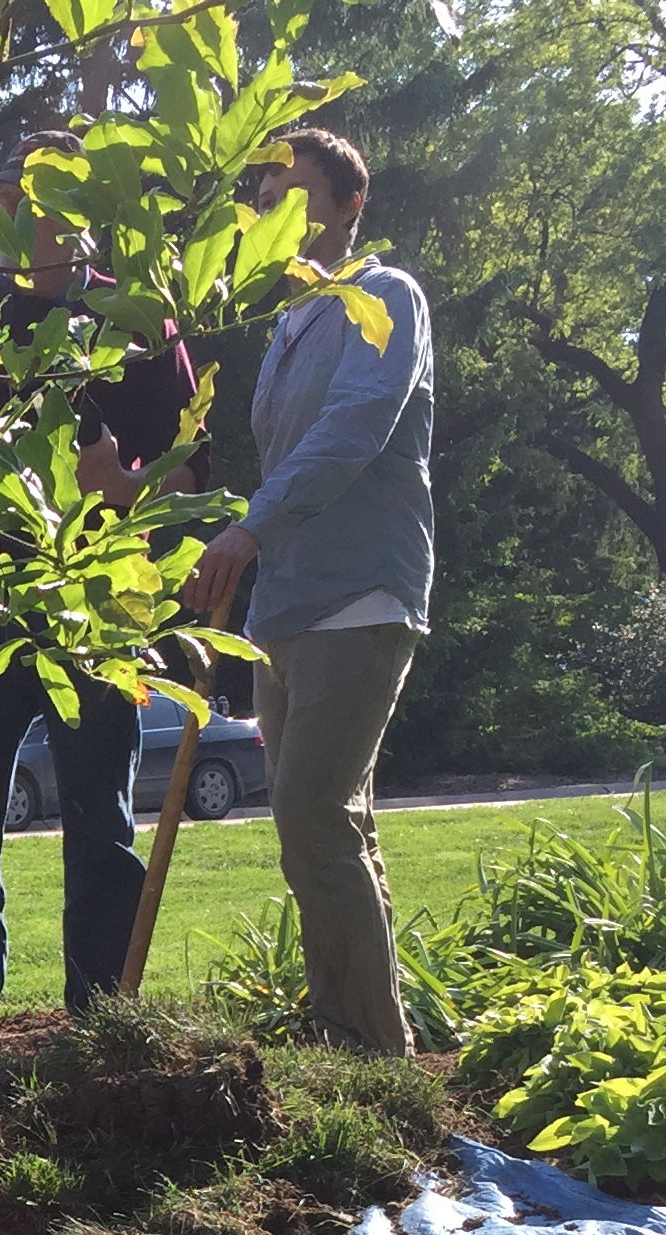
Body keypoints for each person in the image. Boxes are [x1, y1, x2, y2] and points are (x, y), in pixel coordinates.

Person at [0, 148, 210, 1048]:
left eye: (43, 203)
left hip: (99, 615)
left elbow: (192, 479)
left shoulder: (137, 316)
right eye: (8, 203)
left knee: (104, 825)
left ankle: (103, 1035)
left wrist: (118, 485)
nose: (24, 219)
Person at [180, 127, 435, 1058]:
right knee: (327, 830)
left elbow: (356, 426)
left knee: (313, 820)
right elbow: (283, 459)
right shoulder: (289, 326)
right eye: (266, 193)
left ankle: (371, 1049)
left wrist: (254, 527)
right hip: (286, 607)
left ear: (348, 205)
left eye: (298, 191)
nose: (274, 207)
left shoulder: (385, 299)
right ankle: (356, 1034)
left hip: (359, 599)